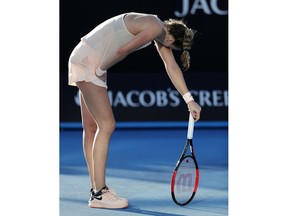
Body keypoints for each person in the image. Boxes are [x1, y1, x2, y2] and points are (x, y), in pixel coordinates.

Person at [68, 12, 202, 209]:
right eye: (173, 47)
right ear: (172, 39)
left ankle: (96, 188)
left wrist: (189, 100)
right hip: (90, 61)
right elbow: (123, 50)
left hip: (84, 54)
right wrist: (99, 70)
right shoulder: (155, 29)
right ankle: (99, 194)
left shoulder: (158, 29)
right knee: (107, 125)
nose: (170, 49)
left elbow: (171, 67)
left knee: (91, 127)